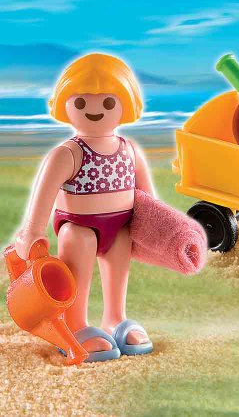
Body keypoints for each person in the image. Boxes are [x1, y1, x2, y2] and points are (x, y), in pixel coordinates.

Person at [15, 53, 154, 362]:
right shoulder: (68, 154)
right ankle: (75, 324)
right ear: (64, 104)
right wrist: (33, 232)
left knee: (119, 263)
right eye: (80, 102)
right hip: (78, 226)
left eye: (108, 102)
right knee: (78, 261)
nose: (94, 109)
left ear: (127, 103)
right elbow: (43, 194)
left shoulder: (130, 150)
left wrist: (157, 230)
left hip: (120, 226)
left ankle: (115, 318)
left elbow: (147, 198)